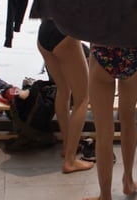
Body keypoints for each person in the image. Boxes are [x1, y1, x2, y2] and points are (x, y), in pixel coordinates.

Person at [83, 0, 137, 200]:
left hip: (102, 54)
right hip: (131, 53)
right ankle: (128, 181)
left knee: (104, 130)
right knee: (129, 120)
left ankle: (105, 195)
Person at [37, 19, 94, 174]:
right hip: (64, 31)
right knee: (82, 98)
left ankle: (67, 146)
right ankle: (70, 160)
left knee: (63, 90)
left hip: (44, 31)